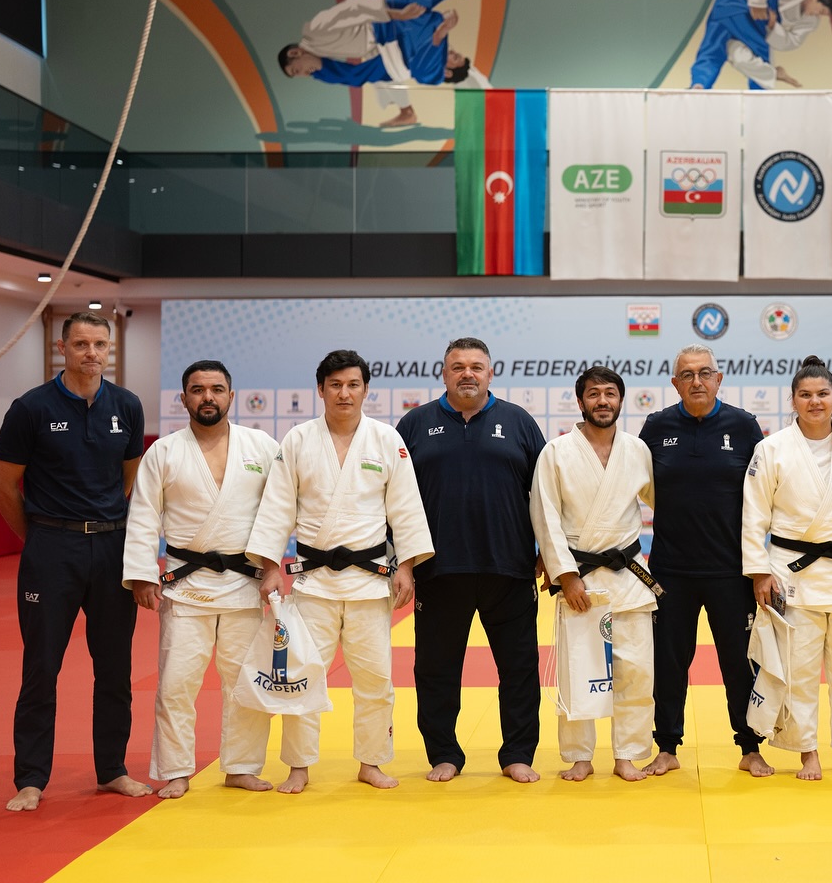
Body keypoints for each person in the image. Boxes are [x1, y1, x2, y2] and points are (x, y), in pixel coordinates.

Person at [246, 349, 434, 793]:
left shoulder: (386, 440)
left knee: (376, 680)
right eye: (335, 385)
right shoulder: (298, 440)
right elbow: (277, 507)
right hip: (314, 581)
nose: (344, 393)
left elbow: (405, 508)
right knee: (301, 675)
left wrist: (406, 566)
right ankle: (299, 765)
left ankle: (372, 761)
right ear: (321, 389)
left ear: (366, 390)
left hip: (370, 580)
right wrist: (270, 567)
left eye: (353, 385)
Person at [0, 311, 151, 812]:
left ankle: (112, 770)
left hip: (110, 549)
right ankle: (31, 779)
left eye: (99, 344)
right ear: (63, 348)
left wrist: (103, 526)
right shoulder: (31, 408)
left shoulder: (127, 405)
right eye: (81, 344)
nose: (91, 353)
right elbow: (1, 486)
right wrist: (39, 538)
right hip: (51, 550)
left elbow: (128, 479)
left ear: (109, 349)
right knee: (41, 667)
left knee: (116, 667)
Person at [122, 360, 280, 798]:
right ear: (184, 398)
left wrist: (272, 566)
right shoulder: (164, 452)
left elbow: (280, 510)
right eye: (197, 390)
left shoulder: (261, 446)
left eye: (216, 389)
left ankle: (241, 766)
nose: (207, 397)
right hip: (186, 585)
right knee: (176, 684)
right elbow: (143, 515)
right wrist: (142, 574)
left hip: (244, 583)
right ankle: (176, 769)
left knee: (245, 682)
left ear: (231, 396)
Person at [396, 338, 545, 783]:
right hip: (438, 570)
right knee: (436, 671)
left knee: (520, 669)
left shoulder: (519, 422)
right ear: (443, 374)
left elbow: (546, 495)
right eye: (458, 366)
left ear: (490, 374)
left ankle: (518, 753)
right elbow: (394, 499)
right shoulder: (415, 424)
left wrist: (549, 554)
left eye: (476, 366)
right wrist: (402, 561)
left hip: (510, 568)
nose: (467, 373)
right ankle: (444, 753)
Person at [742, 355, 832, 780]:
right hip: (791, 572)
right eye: (805, 395)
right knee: (797, 671)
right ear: (793, 400)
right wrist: (759, 571)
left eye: (823, 394)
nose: (815, 401)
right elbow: (753, 516)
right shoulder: (771, 449)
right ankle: (807, 752)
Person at [639, 344, 771, 778]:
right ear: (674, 383)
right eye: (687, 375)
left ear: (718, 379)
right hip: (670, 570)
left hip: (731, 571)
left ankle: (750, 747)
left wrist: (761, 566)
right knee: (669, 663)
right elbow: (638, 485)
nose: (697, 381)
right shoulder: (656, 427)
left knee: (739, 662)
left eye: (704, 373)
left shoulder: (744, 425)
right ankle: (666, 747)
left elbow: (763, 494)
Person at [530, 366, 657, 783]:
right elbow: (545, 516)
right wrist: (565, 576)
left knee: (637, 671)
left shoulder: (637, 450)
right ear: (580, 401)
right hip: (580, 577)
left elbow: (663, 501)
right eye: (594, 394)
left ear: (621, 399)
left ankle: (628, 754)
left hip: (629, 576)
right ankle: (579, 756)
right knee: (578, 669)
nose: (603, 401)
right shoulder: (556, 452)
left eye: (610, 393)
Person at [278, 0, 492, 124]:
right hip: (392, 14)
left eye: (298, 70)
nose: (305, 74)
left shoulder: (316, 30)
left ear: (295, 53)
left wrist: (397, 15)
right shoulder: (323, 52)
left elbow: (354, 7)